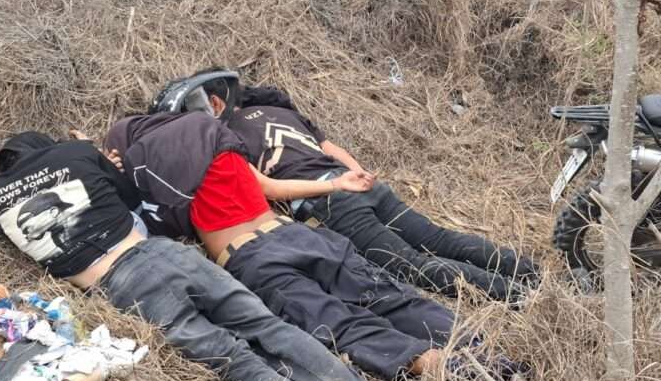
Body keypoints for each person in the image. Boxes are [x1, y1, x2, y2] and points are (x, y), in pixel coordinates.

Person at [0, 131, 414, 381]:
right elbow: (128, 196)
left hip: (118, 284)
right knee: (267, 327)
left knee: (229, 357)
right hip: (165, 254)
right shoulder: (75, 153)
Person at [103, 112, 483, 381]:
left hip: (252, 257)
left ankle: (442, 369)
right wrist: (337, 185)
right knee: (389, 297)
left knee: (339, 323)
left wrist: (111, 170)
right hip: (297, 233)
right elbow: (270, 188)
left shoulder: (147, 169)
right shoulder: (212, 137)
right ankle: (483, 355)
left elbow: (138, 229)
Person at [153, 69, 541, 303]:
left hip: (331, 200)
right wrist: (357, 174)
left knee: (411, 265)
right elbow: (328, 147)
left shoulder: (221, 139)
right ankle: (531, 275)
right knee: (440, 239)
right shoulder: (276, 110)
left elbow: (267, 189)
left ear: (215, 104)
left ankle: (520, 297)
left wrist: (336, 185)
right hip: (362, 186)